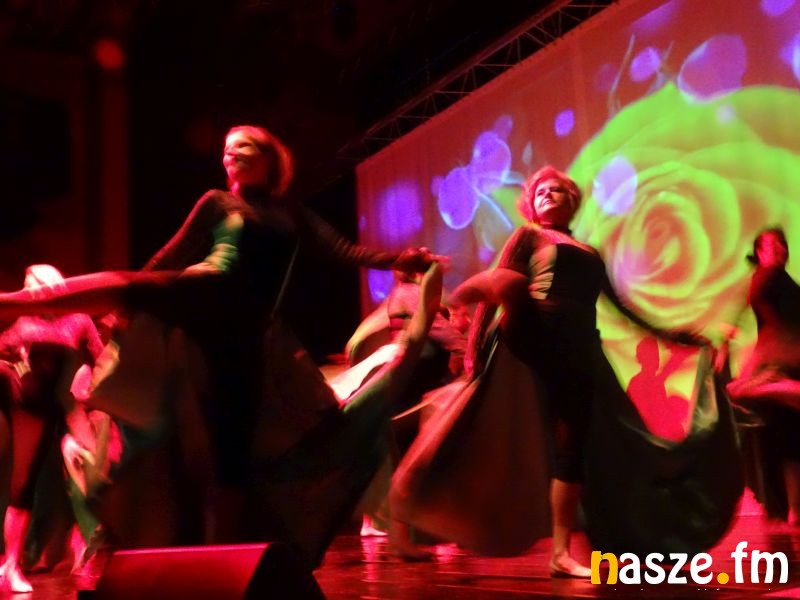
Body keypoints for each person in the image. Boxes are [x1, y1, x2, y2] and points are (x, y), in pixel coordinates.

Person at [0, 125, 442, 552]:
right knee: (125, 284)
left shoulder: (292, 214)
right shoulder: (218, 201)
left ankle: (217, 555)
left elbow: (343, 250)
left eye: (243, 145)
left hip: (247, 331)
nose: (231, 152)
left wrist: (398, 258)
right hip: (206, 290)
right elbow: (172, 254)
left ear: (270, 158)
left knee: (231, 449)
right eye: (227, 148)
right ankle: (14, 303)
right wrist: (131, 304)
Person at [392, 166, 706, 575]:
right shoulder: (528, 237)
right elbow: (496, 289)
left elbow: (623, 307)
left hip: (578, 348)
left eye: (557, 189)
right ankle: (413, 503)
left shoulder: (590, 252)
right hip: (532, 335)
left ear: (572, 201)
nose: (548, 194)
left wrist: (671, 334)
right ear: (531, 203)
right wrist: (472, 351)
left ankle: (561, 552)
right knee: (509, 295)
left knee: (572, 447)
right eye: (541, 191)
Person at [0, 265, 104, 593]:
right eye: (26, 288)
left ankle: (88, 554)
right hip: (30, 407)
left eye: (33, 287)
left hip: (65, 408)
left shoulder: (78, 319)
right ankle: (12, 564)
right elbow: (5, 351)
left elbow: (101, 358)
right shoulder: (24, 322)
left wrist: (91, 395)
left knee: (85, 481)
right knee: (22, 487)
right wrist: (17, 365)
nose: (29, 294)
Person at [726, 228, 800, 523]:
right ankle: (760, 385)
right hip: (782, 359)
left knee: (789, 440)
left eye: (781, 244)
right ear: (758, 252)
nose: (778, 249)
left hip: (784, 361)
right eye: (771, 245)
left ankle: (793, 509)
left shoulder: (778, 281)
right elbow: (767, 321)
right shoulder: (767, 278)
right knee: (787, 437)